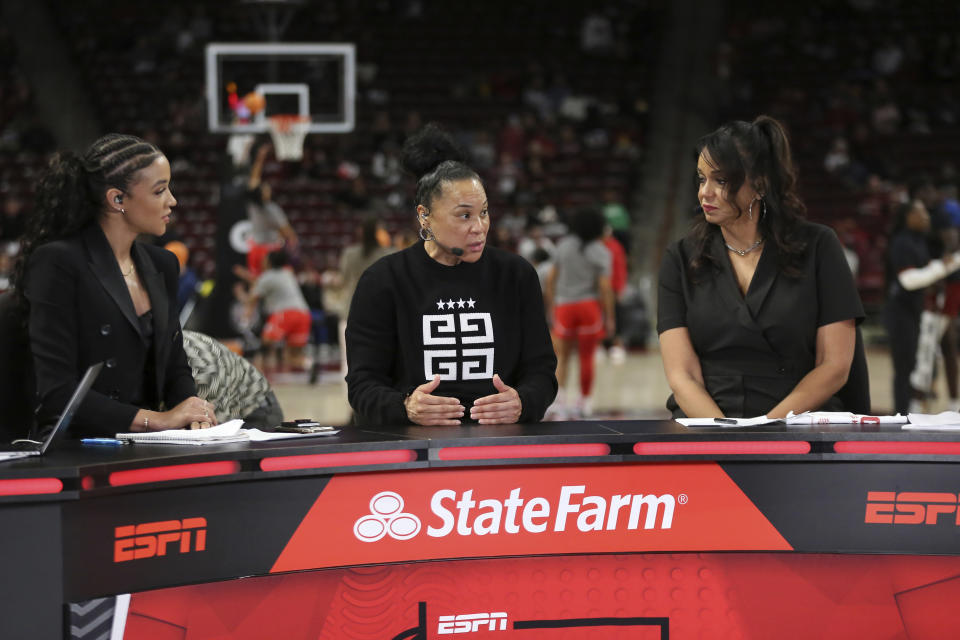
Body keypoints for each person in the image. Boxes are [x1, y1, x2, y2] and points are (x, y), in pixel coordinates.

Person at [345, 123, 557, 426]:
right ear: (424, 216)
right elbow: (362, 385)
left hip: (500, 449)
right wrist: (405, 407)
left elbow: (542, 372)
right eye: (464, 215)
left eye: (483, 212)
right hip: (410, 454)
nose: (479, 227)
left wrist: (523, 403)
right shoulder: (382, 280)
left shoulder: (517, 275)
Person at [657, 116, 864, 419]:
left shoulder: (819, 246)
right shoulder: (679, 257)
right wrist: (725, 434)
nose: (706, 192)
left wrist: (767, 429)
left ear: (761, 183)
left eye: (721, 180)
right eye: (702, 179)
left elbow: (834, 367)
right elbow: (682, 376)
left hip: (799, 424)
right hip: (707, 426)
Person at [13, 133, 217, 437]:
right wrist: (157, 419)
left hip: (147, 442)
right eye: (160, 190)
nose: (173, 201)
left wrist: (193, 409)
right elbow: (58, 392)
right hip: (74, 446)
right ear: (117, 199)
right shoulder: (57, 262)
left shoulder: (163, 264)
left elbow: (175, 366)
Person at [885, 199, 960, 414]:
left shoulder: (920, 242)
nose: (926, 216)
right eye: (920, 212)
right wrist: (945, 266)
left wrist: (940, 268)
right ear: (908, 217)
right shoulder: (901, 242)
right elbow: (909, 280)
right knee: (905, 368)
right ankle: (901, 415)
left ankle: (913, 412)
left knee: (917, 365)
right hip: (900, 312)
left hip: (915, 310)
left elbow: (928, 273)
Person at [545, 208, 615, 418]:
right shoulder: (602, 251)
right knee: (586, 357)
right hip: (588, 307)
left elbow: (550, 280)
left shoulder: (563, 246)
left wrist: (551, 306)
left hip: (564, 306)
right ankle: (584, 401)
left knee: (562, 357)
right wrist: (609, 316)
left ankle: (559, 400)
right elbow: (604, 287)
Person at [181, 330, 283, 429]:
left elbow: (209, 432)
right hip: (221, 394)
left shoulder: (205, 369)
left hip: (253, 410)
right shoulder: (170, 339)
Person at [337, 216, 395, 378]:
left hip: (351, 310)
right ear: (378, 232)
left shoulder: (349, 254)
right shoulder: (389, 254)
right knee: (383, 359)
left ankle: (350, 400)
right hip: (381, 313)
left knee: (348, 361)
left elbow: (343, 279)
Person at [241, 249, 312, 371]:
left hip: (286, 313)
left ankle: (257, 373)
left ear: (269, 262)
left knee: (265, 342)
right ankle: (309, 364)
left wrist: (246, 316)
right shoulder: (288, 273)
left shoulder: (266, 277)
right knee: (290, 356)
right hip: (304, 313)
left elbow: (253, 298)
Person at [245, 143, 298, 278]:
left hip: (255, 249)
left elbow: (254, 179)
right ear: (263, 193)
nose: (268, 187)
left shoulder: (253, 205)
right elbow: (288, 234)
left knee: (258, 282)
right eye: (266, 187)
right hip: (270, 251)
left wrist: (260, 159)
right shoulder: (273, 209)